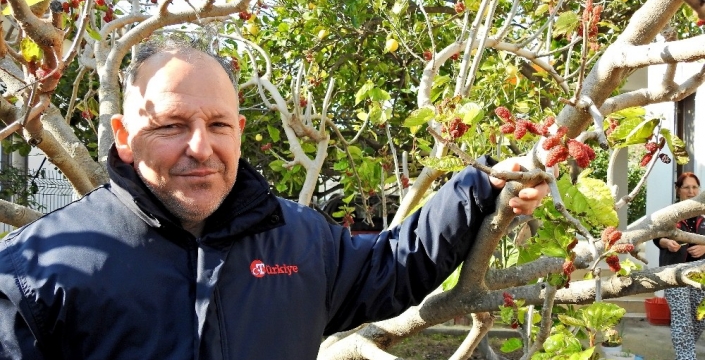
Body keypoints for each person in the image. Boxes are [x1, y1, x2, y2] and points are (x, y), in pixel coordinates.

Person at [0, 36, 549, 360]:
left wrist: (482, 188)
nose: (201, 147)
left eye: (218, 124)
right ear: (122, 134)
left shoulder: (301, 239)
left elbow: (393, 265)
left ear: (239, 129)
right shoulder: (36, 268)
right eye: (171, 125)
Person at [654, 172, 705, 360]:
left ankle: (684, 355)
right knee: (682, 319)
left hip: (701, 276)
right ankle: (686, 357)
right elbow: (656, 236)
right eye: (686, 187)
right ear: (678, 190)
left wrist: (704, 245)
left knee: (700, 319)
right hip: (673, 273)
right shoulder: (669, 214)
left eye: (694, 187)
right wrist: (666, 243)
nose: (691, 191)